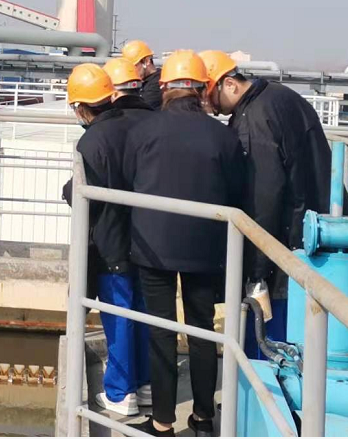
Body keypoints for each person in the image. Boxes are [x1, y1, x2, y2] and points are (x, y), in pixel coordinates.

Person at [200, 50, 348, 360]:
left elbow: (264, 196)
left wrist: (257, 270)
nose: (212, 107)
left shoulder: (253, 121)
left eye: (212, 96)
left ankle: (266, 390)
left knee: (272, 346)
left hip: (284, 248)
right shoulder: (280, 95)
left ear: (230, 84)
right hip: (316, 229)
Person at [124, 51, 245, 437]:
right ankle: (204, 419)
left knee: (160, 331)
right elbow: (237, 191)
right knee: (202, 330)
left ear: (164, 89)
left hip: (152, 244)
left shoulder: (143, 131)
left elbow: (127, 180)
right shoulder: (223, 136)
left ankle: (162, 422)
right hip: (205, 246)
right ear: (203, 89)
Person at [62, 63, 153, 416]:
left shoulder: (93, 139)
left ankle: (120, 392)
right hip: (144, 236)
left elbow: (86, 192)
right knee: (142, 311)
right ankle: (145, 385)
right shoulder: (137, 126)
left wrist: (67, 191)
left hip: (111, 240)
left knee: (118, 315)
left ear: (80, 107)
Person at [121, 40, 162, 110]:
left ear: (146, 61)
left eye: (134, 66)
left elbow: (142, 108)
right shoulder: (141, 82)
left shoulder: (158, 82)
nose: (131, 71)